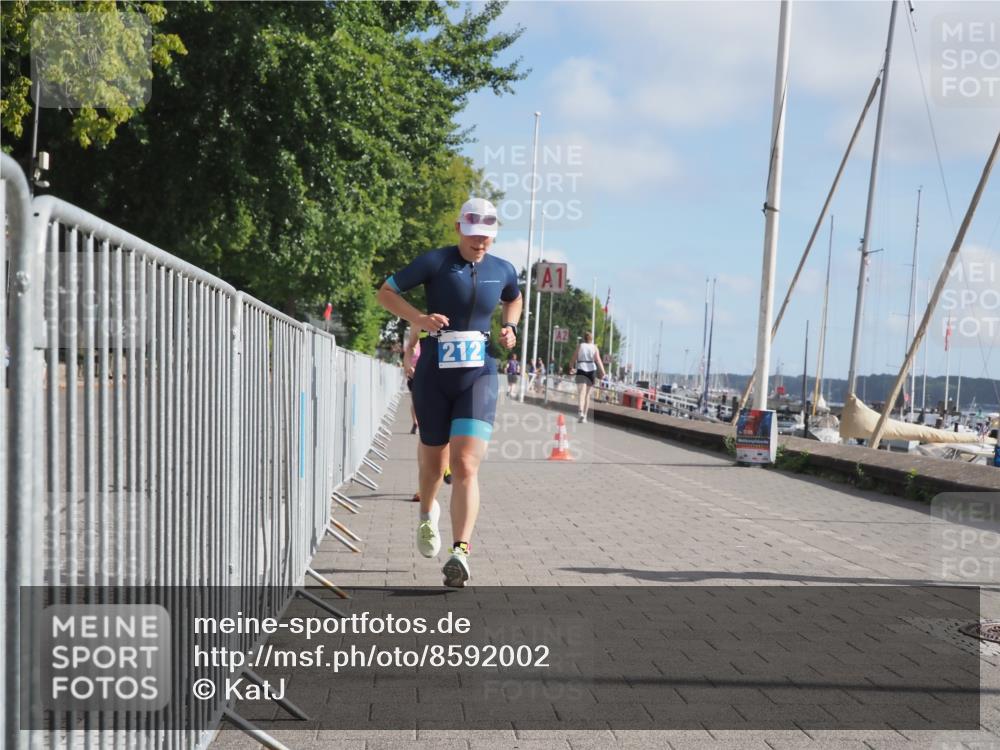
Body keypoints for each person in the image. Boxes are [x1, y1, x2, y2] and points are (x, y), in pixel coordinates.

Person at [376, 197, 521, 587]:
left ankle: (461, 552)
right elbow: (385, 293)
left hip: (479, 374)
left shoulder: (502, 269)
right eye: (474, 236)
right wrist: (418, 318)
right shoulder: (435, 262)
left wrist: (510, 327)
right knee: (432, 464)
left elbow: (514, 297)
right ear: (459, 229)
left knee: (465, 465)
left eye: (487, 237)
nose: (480, 244)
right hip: (433, 376)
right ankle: (427, 514)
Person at [404, 327, 452, 503]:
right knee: (426, 437)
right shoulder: (419, 318)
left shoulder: (458, 314)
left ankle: (446, 464)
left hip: (453, 384)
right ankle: (422, 487)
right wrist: (408, 364)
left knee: (453, 430)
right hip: (425, 381)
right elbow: (410, 346)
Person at [571, 331, 605, 423]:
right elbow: (598, 360)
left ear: (584, 338)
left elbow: (574, 357)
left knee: (581, 392)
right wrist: (603, 371)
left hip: (581, 368)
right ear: (591, 338)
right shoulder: (594, 347)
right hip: (591, 370)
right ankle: (585, 416)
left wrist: (571, 366)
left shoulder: (580, 346)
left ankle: (580, 412)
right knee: (587, 394)